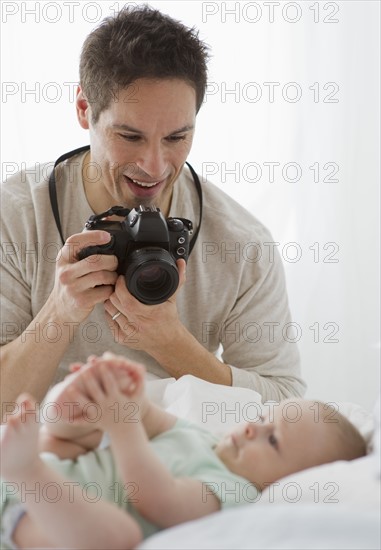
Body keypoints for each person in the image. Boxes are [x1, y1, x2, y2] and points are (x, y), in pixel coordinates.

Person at [0, 5, 305, 414]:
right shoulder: (15, 217)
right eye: (130, 135)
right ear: (84, 109)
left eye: (177, 137)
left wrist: (171, 344)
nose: (155, 166)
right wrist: (60, 313)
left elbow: (286, 405)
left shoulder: (242, 244)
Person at [0, 352, 366, 550]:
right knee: (79, 430)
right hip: (60, 467)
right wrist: (120, 391)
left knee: (118, 539)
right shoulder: (203, 439)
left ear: (288, 481)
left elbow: (159, 499)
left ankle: (23, 470)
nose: (253, 427)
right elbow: (150, 417)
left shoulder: (236, 492)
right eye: (262, 417)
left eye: (272, 440)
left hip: (40, 513)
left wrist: (123, 425)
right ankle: (64, 406)